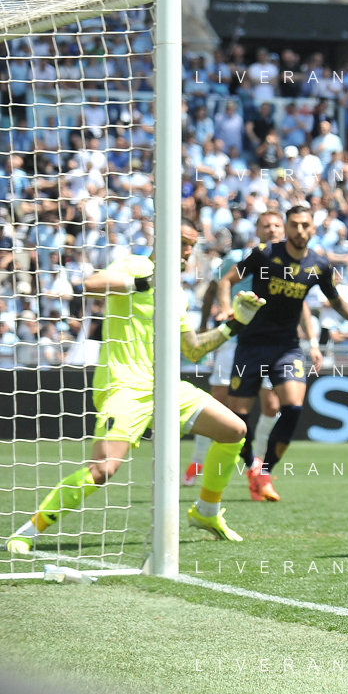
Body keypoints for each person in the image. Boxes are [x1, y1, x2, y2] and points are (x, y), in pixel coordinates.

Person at [6, 226, 265, 552]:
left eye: (191, 246)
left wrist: (235, 324)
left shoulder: (178, 293)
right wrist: (142, 283)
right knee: (102, 470)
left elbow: (193, 349)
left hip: (166, 385)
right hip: (125, 385)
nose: (187, 251)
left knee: (234, 430)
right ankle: (28, 531)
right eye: (182, 243)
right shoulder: (134, 265)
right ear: (162, 239)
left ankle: (206, 512)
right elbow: (90, 286)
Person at [217, 205, 348, 501]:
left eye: (305, 225)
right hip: (251, 345)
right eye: (295, 224)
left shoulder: (319, 265)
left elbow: (336, 302)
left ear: (313, 228)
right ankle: (252, 468)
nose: (300, 230)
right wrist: (224, 307)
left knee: (293, 407)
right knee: (238, 419)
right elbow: (226, 280)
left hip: (286, 347)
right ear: (287, 227)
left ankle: (265, 472)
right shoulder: (264, 255)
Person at [187, 211, 312, 492]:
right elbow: (216, 287)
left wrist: (311, 338)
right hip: (234, 339)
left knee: (273, 406)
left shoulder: (290, 263)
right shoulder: (239, 258)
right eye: (266, 225)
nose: (272, 229)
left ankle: (257, 467)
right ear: (257, 230)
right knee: (220, 402)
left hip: (273, 343)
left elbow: (300, 301)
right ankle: (197, 461)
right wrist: (213, 319)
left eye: (277, 225)